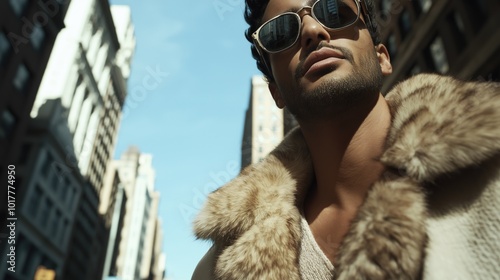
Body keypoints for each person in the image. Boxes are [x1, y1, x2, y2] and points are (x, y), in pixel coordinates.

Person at [192, 0, 500, 278]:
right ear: (275, 93)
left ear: (382, 58)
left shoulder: (491, 163)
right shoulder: (217, 270)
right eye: (281, 32)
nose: (313, 30)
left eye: (335, 11)